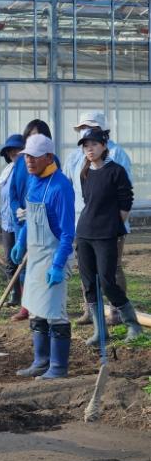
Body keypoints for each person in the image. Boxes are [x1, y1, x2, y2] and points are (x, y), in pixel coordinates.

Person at [11, 135, 75, 379]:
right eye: (26, 156)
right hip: (36, 254)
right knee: (36, 310)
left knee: (55, 311)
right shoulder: (33, 181)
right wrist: (20, 241)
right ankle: (41, 361)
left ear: (48, 157)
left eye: (34, 156)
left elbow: (68, 233)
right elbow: (31, 216)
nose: (28, 160)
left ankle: (58, 367)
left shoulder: (60, 187)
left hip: (56, 253)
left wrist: (58, 265)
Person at [63, 111, 133, 326]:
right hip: (82, 223)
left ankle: (116, 311)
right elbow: (69, 184)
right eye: (82, 128)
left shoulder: (117, 154)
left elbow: (124, 193)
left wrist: (116, 223)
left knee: (111, 268)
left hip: (109, 226)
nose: (85, 131)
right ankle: (90, 310)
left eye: (89, 126)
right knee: (87, 269)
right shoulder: (76, 155)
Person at [74, 128, 141, 344]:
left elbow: (126, 200)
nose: (89, 149)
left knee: (107, 282)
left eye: (93, 144)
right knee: (89, 284)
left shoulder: (116, 171)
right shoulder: (85, 172)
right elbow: (87, 200)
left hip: (106, 234)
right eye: (86, 146)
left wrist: (113, 224)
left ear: (104, 146)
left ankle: (133, 325)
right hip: (84, 233)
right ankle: (100, 332)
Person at [7, 119, 56, 322]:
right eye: (30, 136)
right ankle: (25, 306)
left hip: (42, 222)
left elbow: (49, 192)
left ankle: (41, 304)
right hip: (22, 223)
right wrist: (17, 209)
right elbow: (13, 193)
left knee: (41, 263)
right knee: (23, 265)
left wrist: (34, 211)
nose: (33, 140)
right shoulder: (20, 162)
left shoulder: (52, 163)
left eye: (38, 136)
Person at [0, 134, 25, 307]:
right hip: (7, 222)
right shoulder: (7, 170)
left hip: (22, 222)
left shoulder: (26, 170)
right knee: (10, 260)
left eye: (17, 149)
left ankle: (26, 299)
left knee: (23, 260)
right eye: (11, 150)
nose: (14, 153)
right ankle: (14, 294)